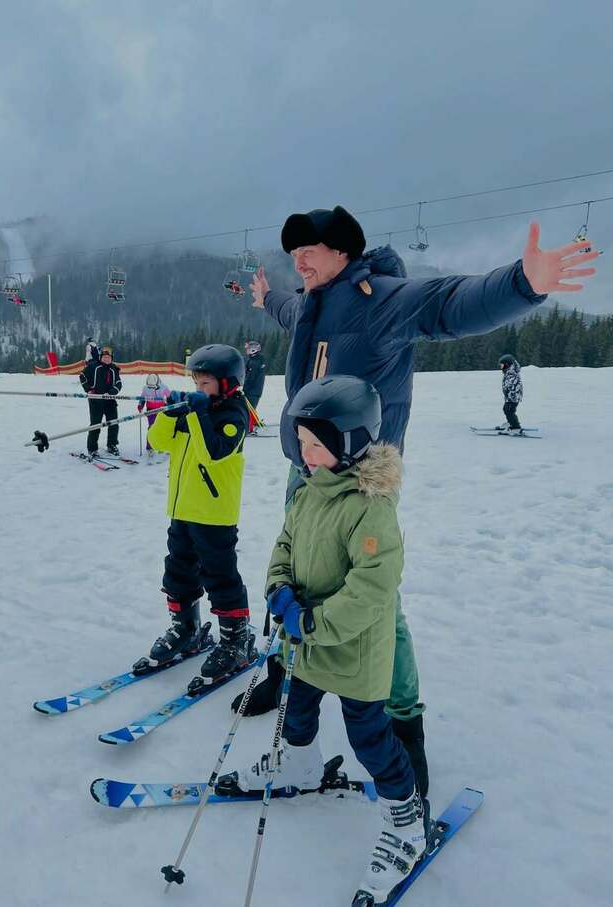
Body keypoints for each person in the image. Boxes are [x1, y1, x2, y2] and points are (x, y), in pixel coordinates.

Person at [243, 204, 599, 794]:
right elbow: (289, 311)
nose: (299, 260)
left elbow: (447, 306)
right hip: (304, 469)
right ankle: (292, 668)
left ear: (344, 252)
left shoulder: (379, 296)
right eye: (293, 253)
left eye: (310, 249)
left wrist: (522, 283)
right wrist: (265, 298)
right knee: (299, 575)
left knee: (378, 603)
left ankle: (404, 721)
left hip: (361, 479)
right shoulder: (311, 298)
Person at [221, 376, 426, 905]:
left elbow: (372, 588)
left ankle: (406, 819)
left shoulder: (370, 507)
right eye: (302, 442)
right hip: (303, 644)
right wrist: (279, 590)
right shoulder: (309, 493)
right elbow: (284, 546)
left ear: (353, 442)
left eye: (317, 444)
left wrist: (313, 622)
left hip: (352, 650)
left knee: (370, 739)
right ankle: (300, 763)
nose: (306, 454)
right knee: (298, 710)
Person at [146, 344, 253, 683]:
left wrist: (198, 413)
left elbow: (214, 452)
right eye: (196, 383)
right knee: (178, 571)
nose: (199, 390)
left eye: (205, 384)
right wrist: (167, 413)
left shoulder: (235, 413)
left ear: (227, 383)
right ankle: (186, 629)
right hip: (182, 509)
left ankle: (236, 639)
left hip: (214, 513)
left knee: (220, 576)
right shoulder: (195, 409)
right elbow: (158, 441)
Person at [79, 346, 122, 456]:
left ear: (111, 358)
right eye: (104, 357)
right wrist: (89, 389)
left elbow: (118, 384)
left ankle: (112, 445)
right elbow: (82, 376)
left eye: (108, 357)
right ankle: (92, 448)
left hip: (110, 401)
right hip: (96, 401)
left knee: (113, 423)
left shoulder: (114, 369)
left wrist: (111, 393)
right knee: (95, 425)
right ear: (100, 357)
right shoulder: (93, 366)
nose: (106, 359)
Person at [137, 373, 171, 460]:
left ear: (158, 384)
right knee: (151, 428)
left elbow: (170, 397)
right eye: (150, 387)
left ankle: (162, 445)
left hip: (161, 410)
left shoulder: (164, 387)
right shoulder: (145, 388)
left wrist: (170, 405)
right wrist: (141, 405)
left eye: (153, 387)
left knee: (163, 428)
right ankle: (150, 447)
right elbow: (142, 397)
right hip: (151, 410)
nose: (151, 388)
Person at [243, 340, 266, 432]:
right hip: (256, 389)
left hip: (253, 390)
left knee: (249, 408)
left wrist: (244, 389)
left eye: (248, 349)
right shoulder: (257, 359)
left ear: (253, 350)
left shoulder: (254, 363)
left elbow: (250, 378)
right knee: (251, 407)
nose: (246, 350)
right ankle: (255, 422)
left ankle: (249, 428)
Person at [498, 354, 523, 432]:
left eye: (502, 366)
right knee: (507, 410)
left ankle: (516, 427)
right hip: (510, 397)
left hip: (513, 397)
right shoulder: (509, 372)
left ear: (507, 365)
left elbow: (513, 386)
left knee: (509, 411)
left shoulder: (511, 373)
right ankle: (510, 422)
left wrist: (511, 395)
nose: (501, 368)